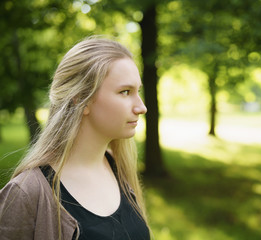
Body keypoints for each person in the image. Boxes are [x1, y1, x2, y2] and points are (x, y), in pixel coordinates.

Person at [0, 36, 150, 240]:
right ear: (81, 99)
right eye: (125, 92)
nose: (141, 107)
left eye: (137, 91)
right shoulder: (26, 193)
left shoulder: (119, 167)